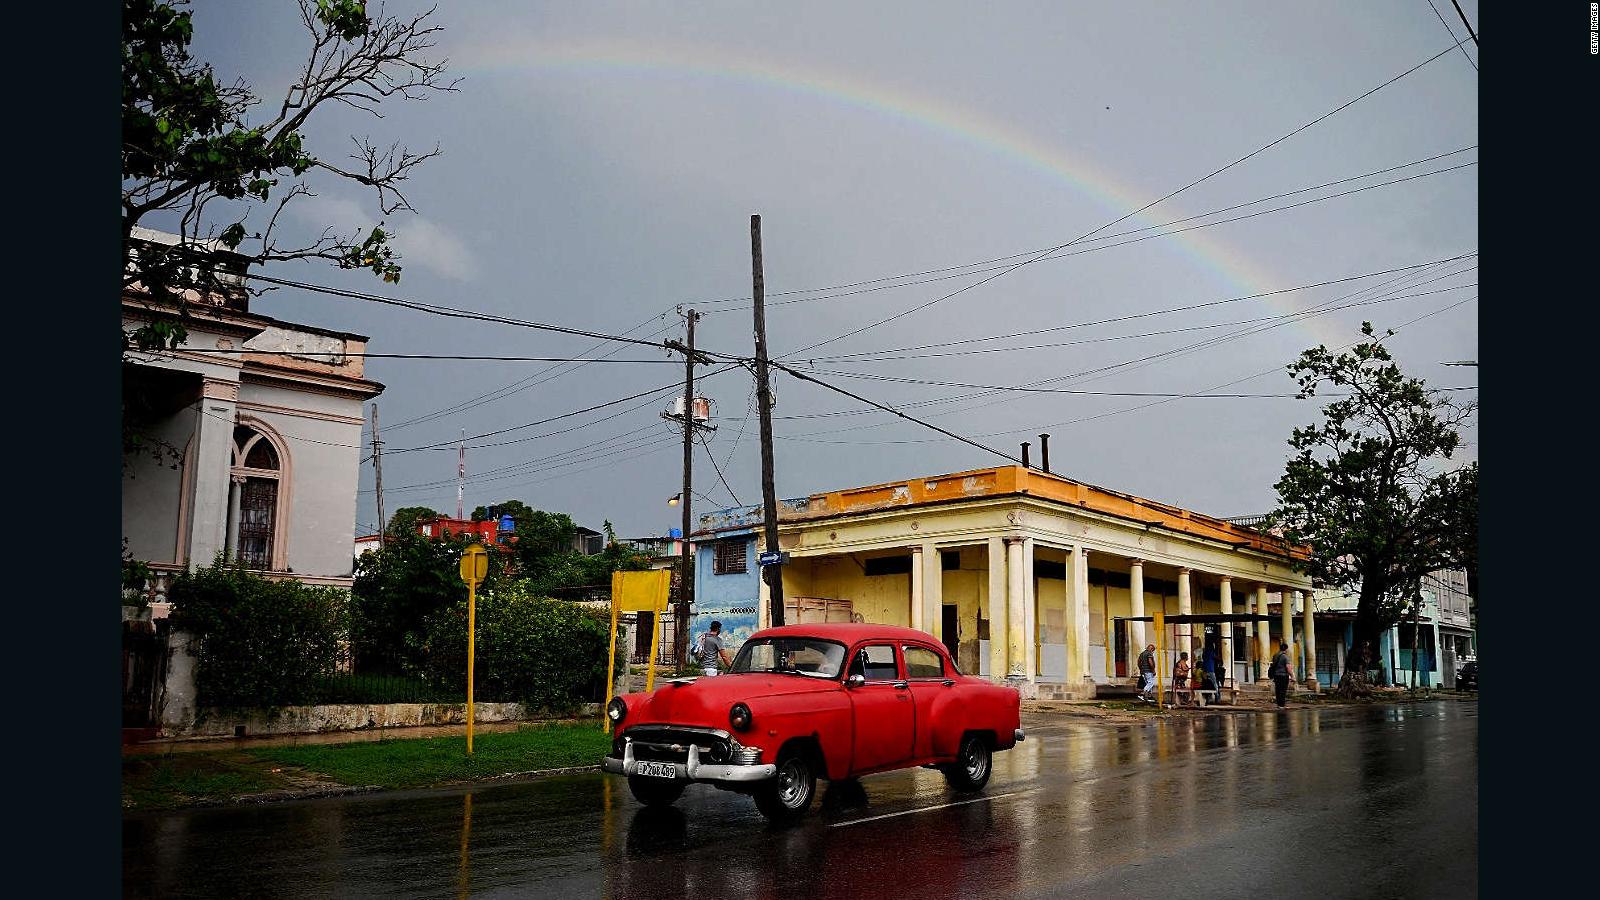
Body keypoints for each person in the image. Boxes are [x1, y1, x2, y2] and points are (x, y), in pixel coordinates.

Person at [1271, 640, 1293, 708]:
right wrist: (1292, 676)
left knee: (1278, 690)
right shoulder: (1285, 657)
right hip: (1283, 676)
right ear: (1286, 649)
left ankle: (1278, 704)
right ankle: (1282, 705)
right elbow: (1288, 668)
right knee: (1283, 690)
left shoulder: (1275, 655)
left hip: (1276, 675)